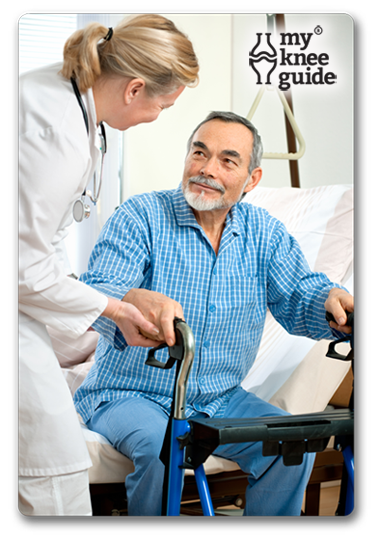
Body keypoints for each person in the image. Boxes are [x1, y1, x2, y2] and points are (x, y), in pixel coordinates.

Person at [74, 111, 354, 516]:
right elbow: (96, 291)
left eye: (227, 160)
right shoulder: (141, 216)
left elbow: (299, 294)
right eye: (199, 152)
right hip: (130, 394)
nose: (206, 169)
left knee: (290, 448)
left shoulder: (265, 233)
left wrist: (331, 304)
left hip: (221, 399)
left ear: (251, 180)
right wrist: (133, 298)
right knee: (162, 448)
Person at [18, 14, 199, 516]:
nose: (157, 117)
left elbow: (37, 246)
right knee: (54, 469)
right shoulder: (56, 130)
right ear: (135, 88)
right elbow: (24, 268)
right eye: (161, 106)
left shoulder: (69, 108)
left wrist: (97, 315)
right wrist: (115, 309)